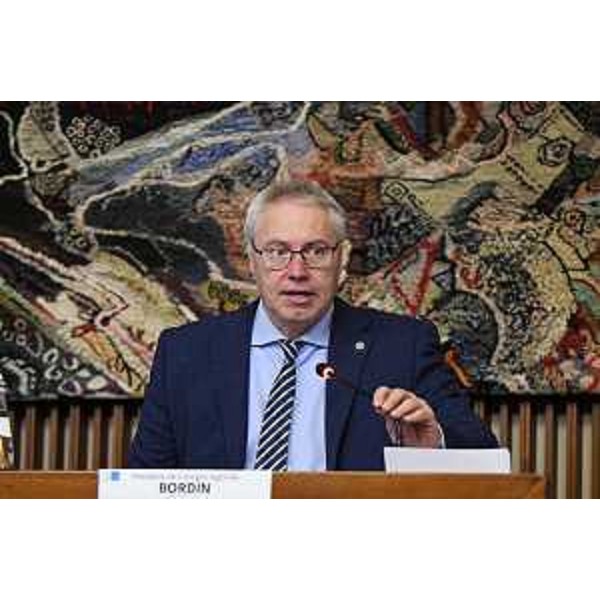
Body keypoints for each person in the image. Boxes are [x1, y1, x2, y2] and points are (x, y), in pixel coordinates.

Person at [128, 179, 497, 470]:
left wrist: (432, 446)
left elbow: (485, 465)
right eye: (277, 251)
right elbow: (142, 487)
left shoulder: (403, 346)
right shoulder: (185, 353)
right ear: (250, 261)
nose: (297, 271)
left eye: (316, 251)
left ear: (343, 260)